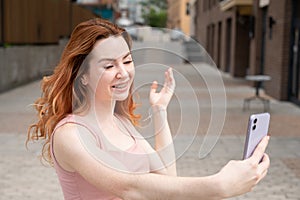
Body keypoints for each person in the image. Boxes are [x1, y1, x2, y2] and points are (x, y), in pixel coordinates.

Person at [27, 18, 270, 200]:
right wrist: (219, 186)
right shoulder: (70, 134)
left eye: (127, 60)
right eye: (109, 65)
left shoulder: (120, 122)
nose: (123, 73)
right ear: (83, 76)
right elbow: (129, 188)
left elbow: (167, 176)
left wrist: (160, 111)